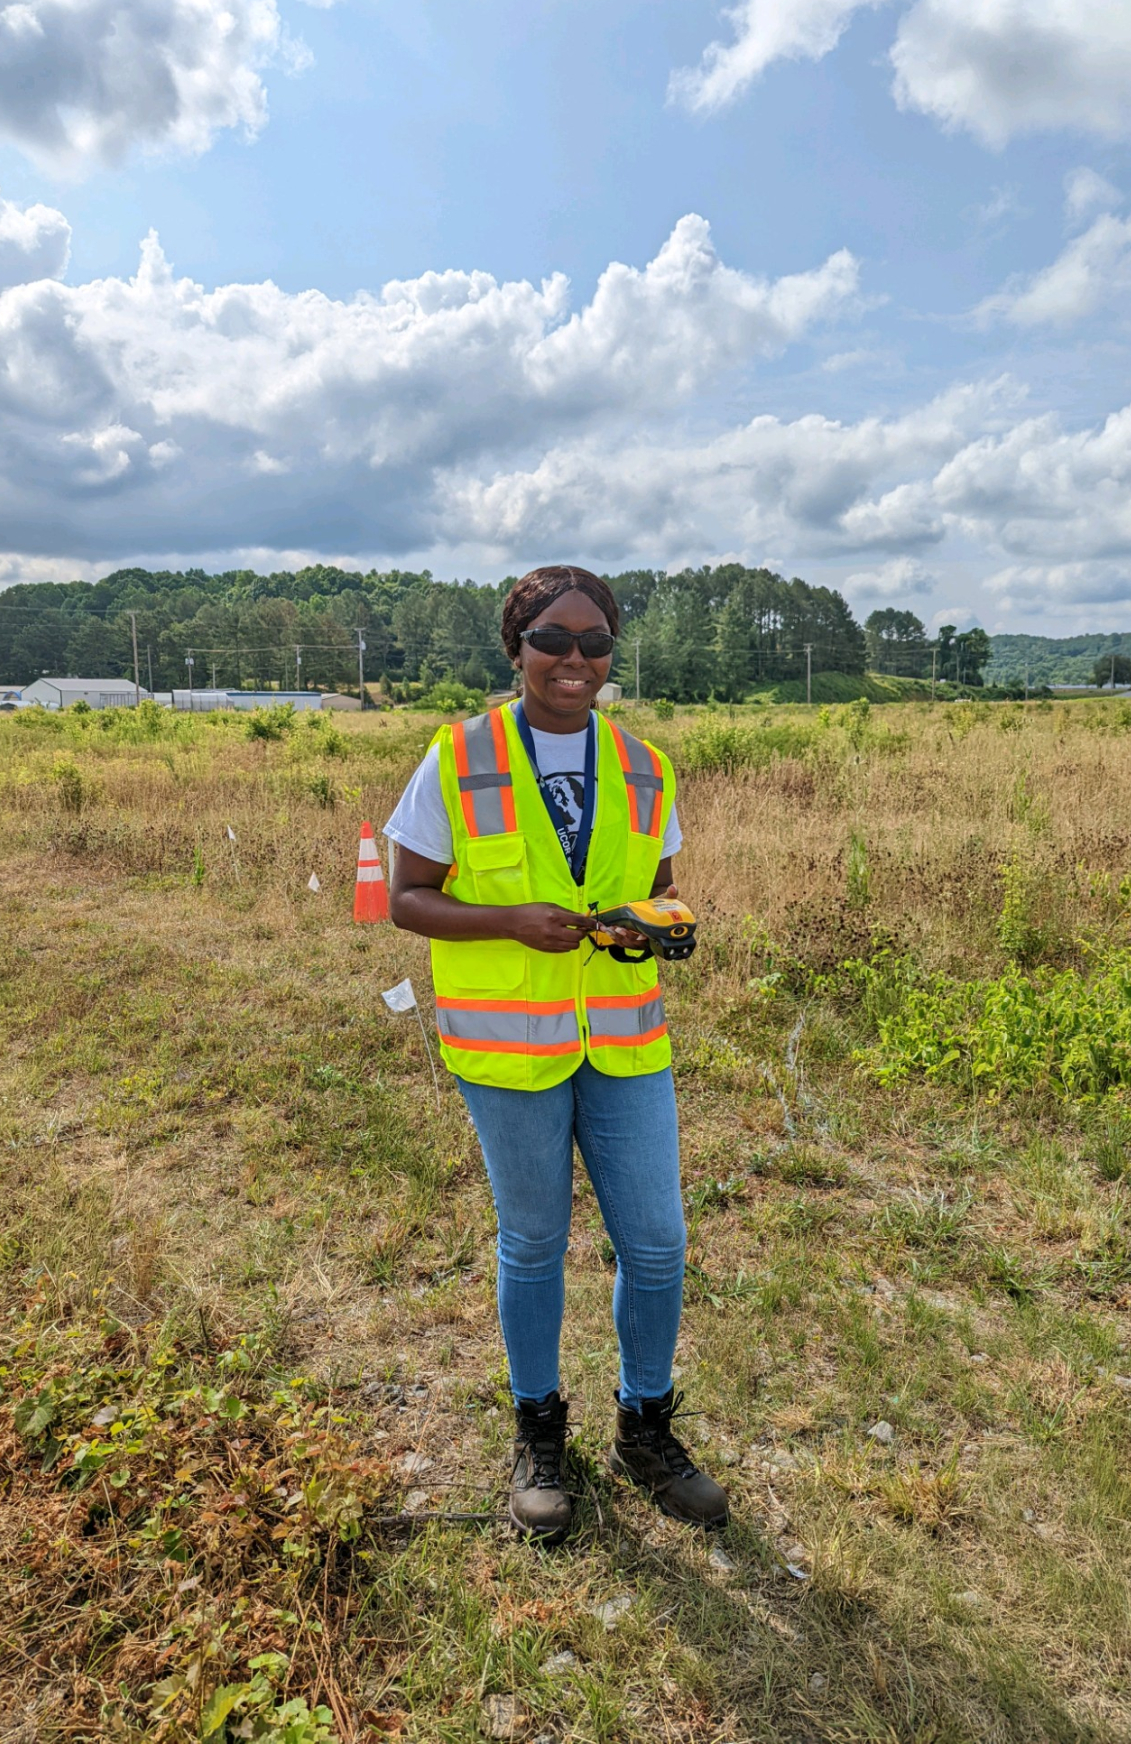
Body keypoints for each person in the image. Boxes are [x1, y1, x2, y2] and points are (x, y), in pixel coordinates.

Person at [385, 565, 729, 1543]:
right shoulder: (457, 759)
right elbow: (408, 895)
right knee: (534, 1241)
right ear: (516, 647)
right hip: (509, 1053)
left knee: (657, 1242)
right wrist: (507, 921)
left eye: (594, 642)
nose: (575, 660)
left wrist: (653, 926)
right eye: (553, 639)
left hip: (624, 1043)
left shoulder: (645, 767)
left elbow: (659, 888)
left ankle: (646, 1428)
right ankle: (540, 1434)